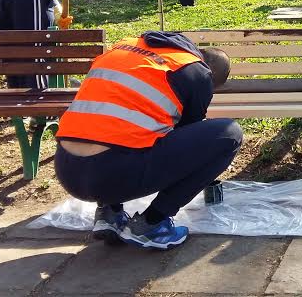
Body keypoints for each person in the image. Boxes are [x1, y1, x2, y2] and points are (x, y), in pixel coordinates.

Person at [54, 31, 243, 250]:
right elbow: (189, 140)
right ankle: (153, 223)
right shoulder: (196, 73)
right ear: (211, 76)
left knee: (117, 129)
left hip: (67, 169)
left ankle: (109, 214)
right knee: (230, 134)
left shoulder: (123, 46)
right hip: (114, 173)